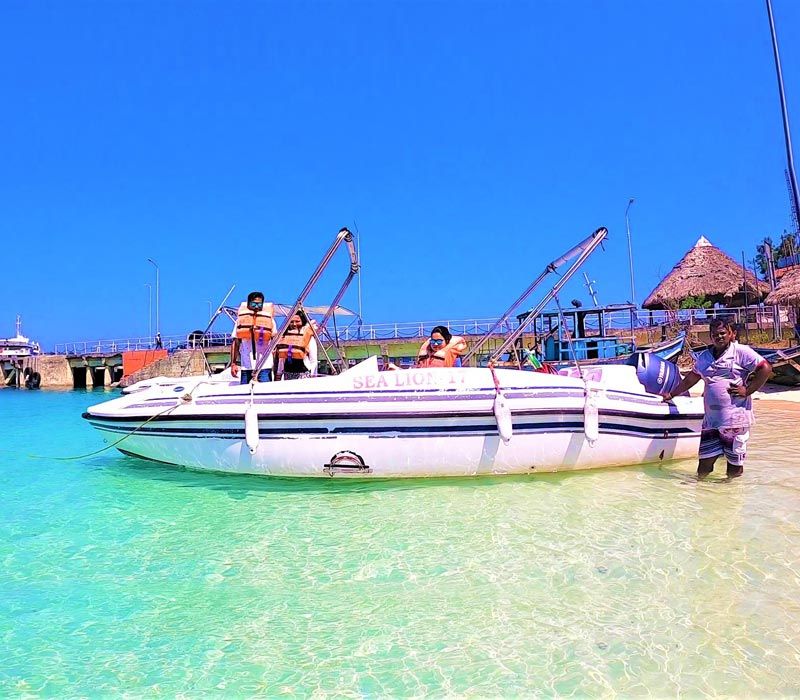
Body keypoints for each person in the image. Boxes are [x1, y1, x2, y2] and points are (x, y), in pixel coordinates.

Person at [662, 318, 771, 478]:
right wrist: (672, 394)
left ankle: (731, 495)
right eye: (715, 334)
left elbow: (765, 368)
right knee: (704, 466)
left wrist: (747, 390)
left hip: (735, 421)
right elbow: (691, 378)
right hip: (711, 422)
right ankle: (703, 494)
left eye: (722, 333)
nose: (719, 337)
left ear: (731, 334)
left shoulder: (740, 351)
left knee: (734, 467)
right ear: (710, 337)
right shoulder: (704, 357)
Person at [230, 291, 275, 384]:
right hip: (246, 366)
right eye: (254, 303)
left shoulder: (270, 320)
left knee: (265, 394)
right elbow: (236, 342)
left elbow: (275, 341)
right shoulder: (240, 320)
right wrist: (233, 363)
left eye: (259, 304)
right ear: (248, 304)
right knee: (245, 394)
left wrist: (277, 367)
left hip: (264, 366)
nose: (256, 307)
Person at [273, 311, 318, 380]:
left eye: (297, 321)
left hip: (304, 374)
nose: (294, 324)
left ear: (303, 322)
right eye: (291, 321)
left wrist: (313, 376)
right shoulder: (285, 337)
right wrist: (279, 374)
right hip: (287, 374)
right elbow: (282, 359)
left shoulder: (309, 338)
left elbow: (313, 360)